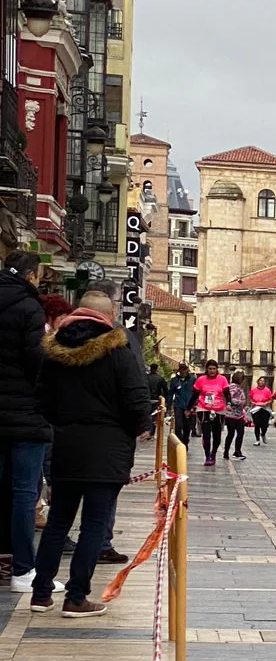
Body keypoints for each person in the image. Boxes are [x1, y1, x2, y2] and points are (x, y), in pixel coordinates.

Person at [28, 292, 150, 618]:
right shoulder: (119, 351)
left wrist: (63, 423)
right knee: (94, 526)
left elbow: (41, 400)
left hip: (66, 445)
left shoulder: (54, 352)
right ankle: (76, 596)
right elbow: (136, 396)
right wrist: (142, 425)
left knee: (58, 522)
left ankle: (41, 593)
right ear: (108, 316)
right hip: (107, 449)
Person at [0, 244, 48, 591]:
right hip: (24, 415)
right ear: (32, 275)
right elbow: (38, 362)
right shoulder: (30, 308)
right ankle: (21, 569)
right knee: (22, 492)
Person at [192, 359, 229, 465]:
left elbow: (227, 394)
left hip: (219, 409)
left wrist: (229, 404)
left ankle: (213, 453)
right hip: (204, 409)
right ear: (206, 369)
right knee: (206, 434)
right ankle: (208, 456)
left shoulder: (222, 379)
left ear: (217, 369)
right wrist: (189, 408)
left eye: (214, 369)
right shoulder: (201, 380)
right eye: (210, 369)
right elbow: (195, 395)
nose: (212, 371)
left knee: (217, 435)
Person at [223, 371, 251, 461]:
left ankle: (237, 451)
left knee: (240, 432)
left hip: (238, 415)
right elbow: (229, 398)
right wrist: (240, 402)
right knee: (231, 433)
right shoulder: (233, 387)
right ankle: (227, 452)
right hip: (231, 414)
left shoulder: (238, 387)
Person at [169, 362, 197, 445]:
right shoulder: (174, 381)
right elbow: (171, 393)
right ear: (179, 370)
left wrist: (195, 405)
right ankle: (180, 442)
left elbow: (196, 393)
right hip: (178, 405)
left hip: (189, 406)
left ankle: (185, 441)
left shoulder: (193, 379)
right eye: (182, 370)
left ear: (187, 370)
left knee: (187, 427)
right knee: (178, 426)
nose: (183, 372)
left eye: (185, 370)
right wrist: (168, 405)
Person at [248, 374, 275, 446]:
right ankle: (257, 440)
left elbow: (271, 399)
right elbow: (250, 398)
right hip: (256, 409)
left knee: (265, 425)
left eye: (263, 381)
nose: (262, 382)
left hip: (264, 409)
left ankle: (263, 434)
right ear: (258, 382)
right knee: (257, 424)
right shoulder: (253, 390)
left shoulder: (267, 390)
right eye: (260, 380)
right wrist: (252, 402)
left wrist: (266, 403)